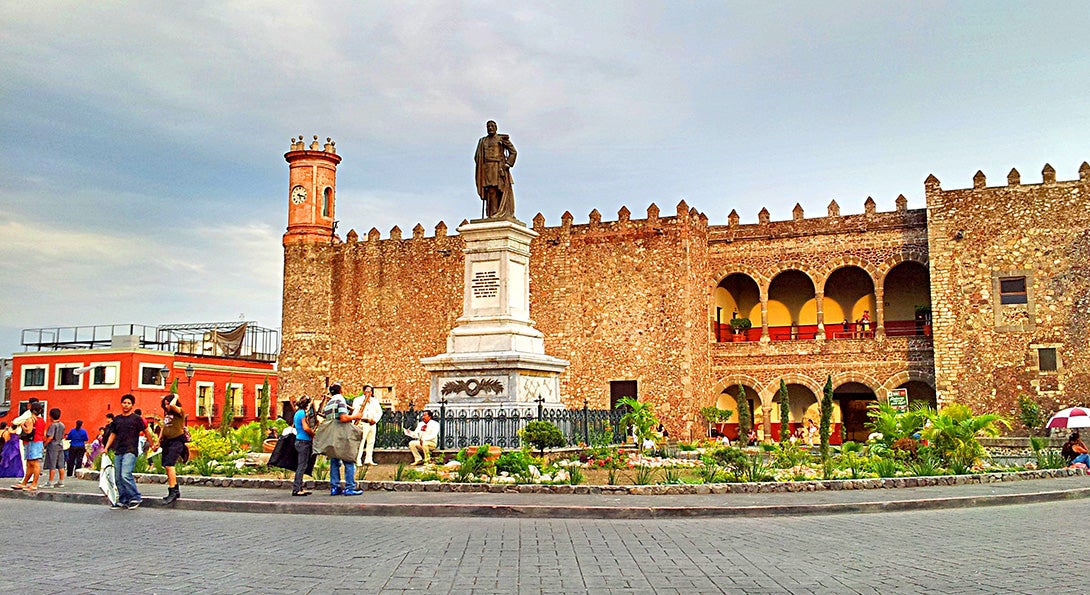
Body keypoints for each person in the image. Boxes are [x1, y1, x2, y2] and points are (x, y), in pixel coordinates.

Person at [103, 394, 158, 509]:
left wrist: (152, 444)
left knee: (125, 474)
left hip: (131, 450)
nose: (126, 405)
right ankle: (123, 499)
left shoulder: (137, 419)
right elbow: (113, 434)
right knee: (118, 477)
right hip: (119, 450)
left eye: (128, 403)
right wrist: (106, 447)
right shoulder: (117, 419)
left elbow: (146, 431)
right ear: (121, 404)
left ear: (132, 405)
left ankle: (135, 497)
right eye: (124, 403)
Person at [322, 383, 364, 496]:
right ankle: (350, 487)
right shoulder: (340, 400)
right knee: (348, 460)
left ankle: (334, 487)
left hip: (332, 434)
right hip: (341, 434)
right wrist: (356, 416)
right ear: (340, 391)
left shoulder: (328, 404)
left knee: (334, 461)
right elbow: (343, 418)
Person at [474, 120, 517, 219]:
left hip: (499, 167)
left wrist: (507, 164)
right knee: (491, 190)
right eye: (488, 126)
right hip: (487, 168)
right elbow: (477, 156)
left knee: (499, 190)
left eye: (492, 126)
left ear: (496, 128)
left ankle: (500, 212)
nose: (490, 128)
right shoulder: (483, 141)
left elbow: (513, 152)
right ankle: (492, 213)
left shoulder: (501, 139)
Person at [158, 394, 188, 504]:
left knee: (170, 464)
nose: (167, 406)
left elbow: (172, 405)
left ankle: (172, 492)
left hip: (177, 440)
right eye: (164, 404)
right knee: (166, 465)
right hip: (167, 441)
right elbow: (163, 428)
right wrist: (158, 441)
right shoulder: (167, 415)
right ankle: (175, 488)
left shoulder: (180, 411)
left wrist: (175, 397)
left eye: (167, 404)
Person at [352, 384, 383, 466]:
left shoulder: (375, 401)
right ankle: (358, 460)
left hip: (372, 424)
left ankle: (368, 459)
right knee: (361, 442)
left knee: (371, 442)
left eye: (370, 391)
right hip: (363, 423)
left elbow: (379, 412)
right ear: (364, 391)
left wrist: (375, 420)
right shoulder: (358, 400)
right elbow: (355, 412)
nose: (368, 393)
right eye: (367, 391)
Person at [291, 396, 314, 496]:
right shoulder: (302, 413)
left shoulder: (297, 413)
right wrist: (313, 434)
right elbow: (305, 428)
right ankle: (297, 489)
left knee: (301, 465)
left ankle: (299, 487)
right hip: (304, 441)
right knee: (302, 466)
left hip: (299, 440)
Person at [43, 407, 65, 488]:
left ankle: (50, 482)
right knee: (61, 464)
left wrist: (44, 444)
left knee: (52, 464)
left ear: (51, 416)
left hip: (53, 446)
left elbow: (50, 437)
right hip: (60, 445)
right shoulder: (62, 425)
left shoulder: (53, 425)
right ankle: (61, 481)